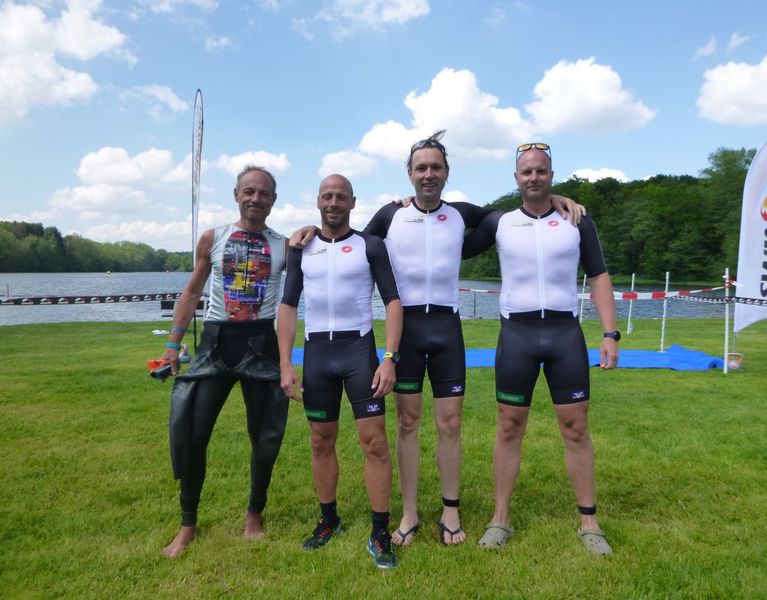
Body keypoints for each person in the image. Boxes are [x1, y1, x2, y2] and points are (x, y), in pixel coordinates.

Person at [290, 131, 582, 547]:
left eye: (436, 167)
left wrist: (556, 199)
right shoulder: (390, 216)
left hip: (447, 329)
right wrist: (308, 230)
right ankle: (409, 513)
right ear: (410, 174)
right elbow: (345, 238)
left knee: (450, 423)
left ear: (447, 173)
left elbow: (516, 212)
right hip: (407, 333)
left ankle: (450, 510)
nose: (429, 174)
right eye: (421, 168)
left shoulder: (462, 215)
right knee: (408, 422)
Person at [462, 142, 619, 555]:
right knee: (509, 426)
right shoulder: (500, 222)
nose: (534, 177)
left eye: (541, 171)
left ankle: (589, 522)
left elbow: (599, 275)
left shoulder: (577, 220)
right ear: (516, 179)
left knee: (576, 427)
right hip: (518, 335)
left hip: (565, 334)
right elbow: (452, 220)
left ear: (552, 175)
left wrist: (610, 333)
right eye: (527, 172)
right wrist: (408, 205)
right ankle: (500, 519)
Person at [160, 165, 290, 558]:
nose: (255, 198)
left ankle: (254, 514)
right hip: (216, 344)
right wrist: (173, 344)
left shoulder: (284, 245)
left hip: (261, 345)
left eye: (263, 193)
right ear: (236, 194)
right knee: (192, 435)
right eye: (249, 191)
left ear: (273, 199)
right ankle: (187, 523)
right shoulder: (212, 238)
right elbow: (191, 292)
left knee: (264, 437)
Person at [278, 174, 403, 569]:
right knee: (320, 440)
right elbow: (288, 305)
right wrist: (286, 364)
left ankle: (380, 531)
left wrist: (389, 357)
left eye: (341, 197)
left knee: (375, 442)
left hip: (358, 352)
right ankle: (328, 520)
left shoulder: (370, 245)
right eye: (327, 196)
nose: (334, 202)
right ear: (318, 201)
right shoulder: (301, 247)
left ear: (352, 202)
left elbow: (393, 301)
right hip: (318, 354)